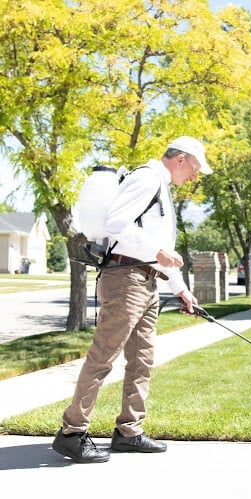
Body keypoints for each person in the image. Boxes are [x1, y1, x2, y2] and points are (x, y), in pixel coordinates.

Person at [52, 136, 212, 463]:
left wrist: (180, 289)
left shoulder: (162, 188)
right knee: (103, 357)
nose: (194, 177)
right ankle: (72, 432)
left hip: (146, 281)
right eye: (195, 168)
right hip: (125, 280)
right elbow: (117, 225)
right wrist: (156, 253)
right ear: (180, 159)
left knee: (142, 359)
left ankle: (130, 431)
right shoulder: (147, 178)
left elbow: (160, 248)